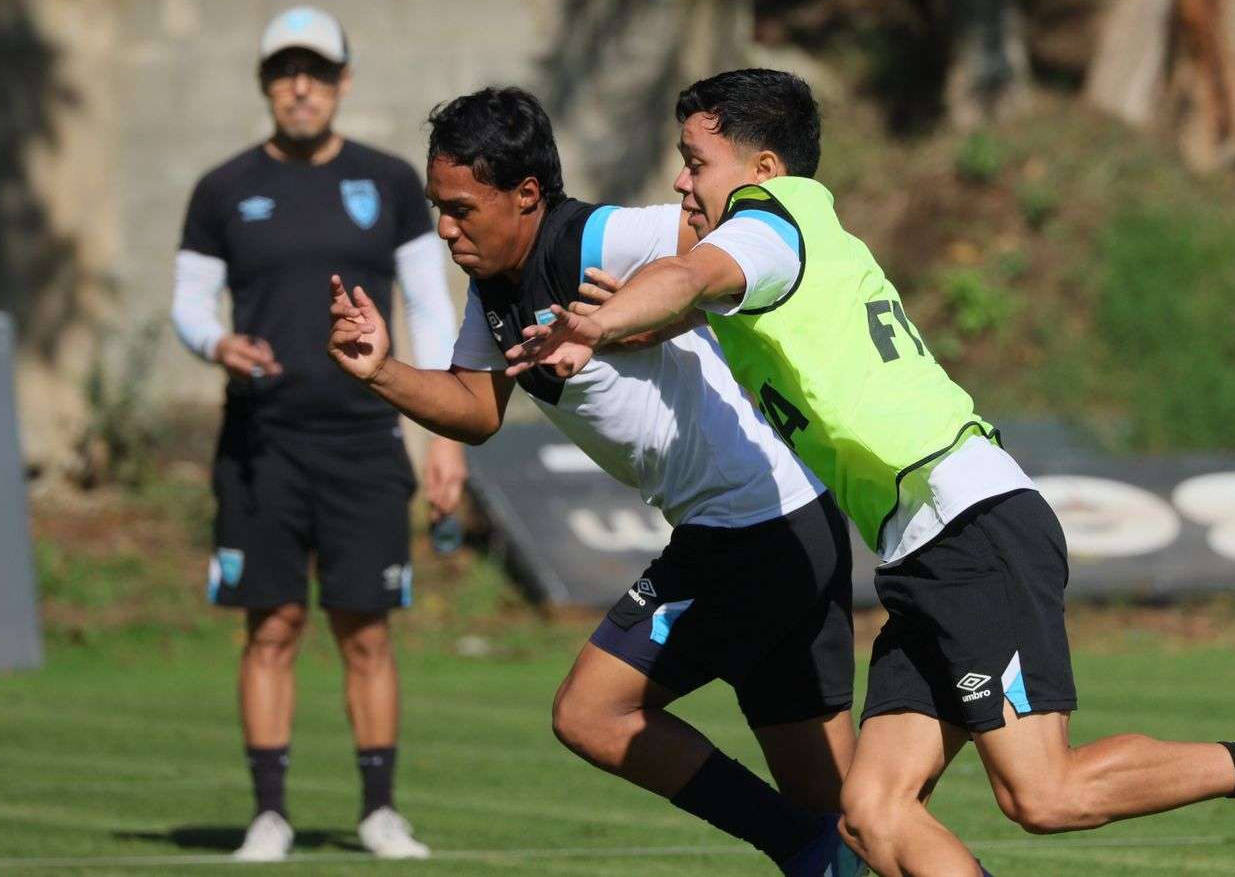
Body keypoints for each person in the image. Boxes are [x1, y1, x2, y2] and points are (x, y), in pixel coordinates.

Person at [507, 68, 1235, 876]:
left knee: (1044, 794)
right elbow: (683, 300)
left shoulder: (770, 228)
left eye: (694, 160)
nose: (679, 180)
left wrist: (601, 323)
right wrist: (606, 326)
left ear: (764, 169)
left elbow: (686, 278)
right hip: (923, 550)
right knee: (872, 813)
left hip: (970, 527)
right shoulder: (777, 255)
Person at [324, 86, 864, 876]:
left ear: (527, 195)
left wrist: (647, 316)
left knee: (591, 712)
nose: (445, 228)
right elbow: (476, 409)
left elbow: (721, 231)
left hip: (752, 527)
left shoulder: (598, 238)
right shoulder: (496, 287)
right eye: (439, 206)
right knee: (851, 824)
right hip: (787, 523)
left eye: (462, 208)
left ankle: (800, 846)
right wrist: (381, 371)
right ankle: (822, 847)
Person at [171, 5, 466, 862]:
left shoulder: (391, 183)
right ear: (267, 85)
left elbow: (427, 305)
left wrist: (445, 431)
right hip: (262, 444)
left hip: (366, 440)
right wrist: (213, 340)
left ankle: (378, 811)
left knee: (365, 629)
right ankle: (269, 813)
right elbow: (191, 301)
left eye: (317, 71)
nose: (300, 86)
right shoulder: (221, 189)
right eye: (285, 71)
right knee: (271, 627)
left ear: (342, 82)